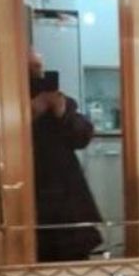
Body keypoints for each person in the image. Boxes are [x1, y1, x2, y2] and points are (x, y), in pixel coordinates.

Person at [29, 50, 103, 261]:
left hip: (66, 195)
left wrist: (61, 113)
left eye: (39, 67)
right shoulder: (7, 103)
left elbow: (82, 137)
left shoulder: (61, 102)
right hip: (31, 192)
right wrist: (31, 111)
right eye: (31, 67)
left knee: (75, 256)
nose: (37, 73)